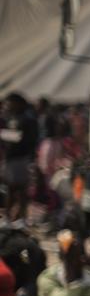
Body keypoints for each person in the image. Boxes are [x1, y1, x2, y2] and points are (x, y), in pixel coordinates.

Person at [1, 92, 40, 223]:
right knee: (10, 189)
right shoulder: (9, 117)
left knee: (21, 189)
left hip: (21, 159)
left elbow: (29, 140)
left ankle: (21, 218)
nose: (8, 106)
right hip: (10, 159)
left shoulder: (27, 119)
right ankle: (8, 217)